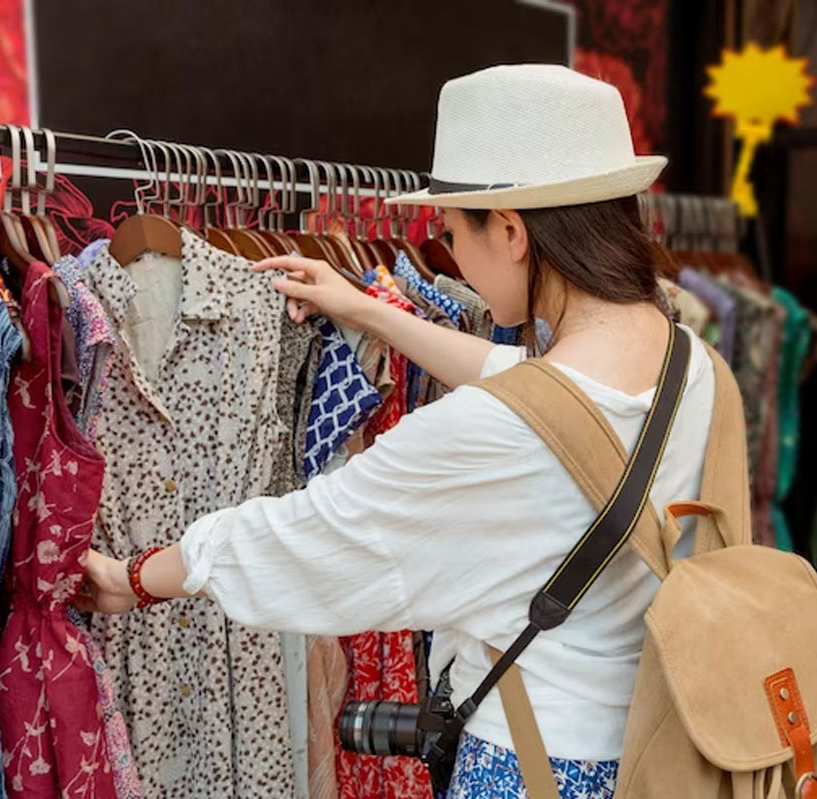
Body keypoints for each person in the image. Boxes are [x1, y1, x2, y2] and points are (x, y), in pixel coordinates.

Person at [79, 63, 718, 799]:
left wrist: (139, 577)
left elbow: (314, 534)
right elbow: (536, 381)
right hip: (663, 751)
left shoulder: (491, 429)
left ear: (509, 231)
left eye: (451, 232)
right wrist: (376, 313)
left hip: (536, 764)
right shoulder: (686, 362)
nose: (452, 255)